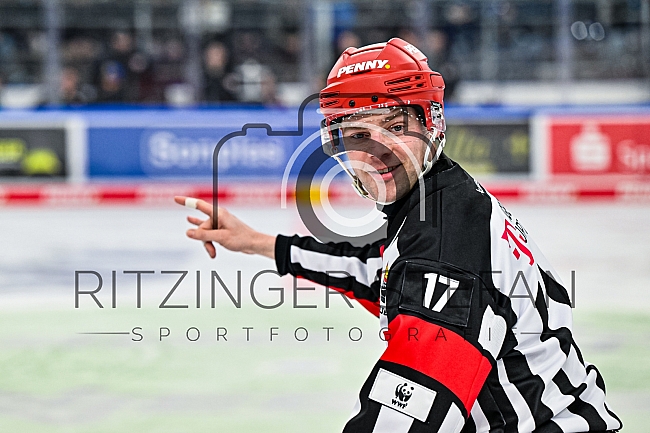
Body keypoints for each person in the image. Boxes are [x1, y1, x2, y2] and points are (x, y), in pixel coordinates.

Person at [175, 38, 622, 432]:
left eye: (394, 126)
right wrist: (257, 242)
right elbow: (379, 272)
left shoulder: (443, 247)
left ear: (431, 124)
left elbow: (403, 418)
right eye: (357, 135)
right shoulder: (443, 199)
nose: (378, 150)